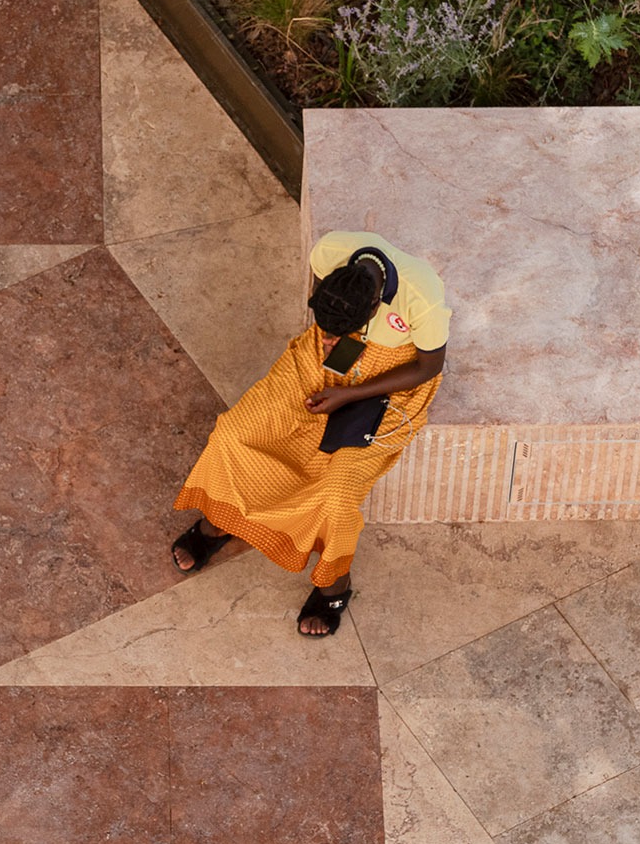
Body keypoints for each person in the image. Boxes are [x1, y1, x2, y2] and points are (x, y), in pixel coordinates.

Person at [170, 231, 450, 637]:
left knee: (337, 494)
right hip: (329, 353)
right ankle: (220, 521)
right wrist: (332, 336)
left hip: (392, 381)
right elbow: (321, 302)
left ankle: (335, 584)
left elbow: (428, 368)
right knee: (235, 433)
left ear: (376, 305)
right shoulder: (331, 251)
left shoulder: (422, 297)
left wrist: (348, 395)